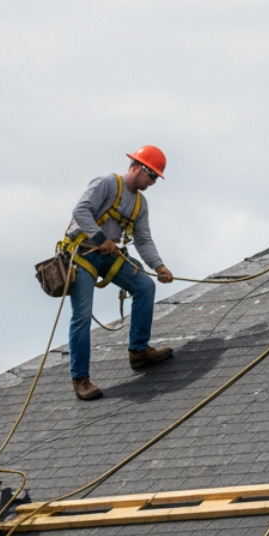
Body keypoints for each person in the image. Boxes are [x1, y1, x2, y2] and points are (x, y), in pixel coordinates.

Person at [65, 146, 177, 400]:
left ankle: (138, 351)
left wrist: (158, 266)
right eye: (151, 176)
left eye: (156, 178)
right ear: (137, 167)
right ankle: (81, 378)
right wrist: (100, 237)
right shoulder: (107, 184)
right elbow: (80, 211)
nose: (152, 182)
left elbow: (143, 239)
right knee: (82, 315)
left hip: (108, 256)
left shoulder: (140, 204)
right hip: (82, 254)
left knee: (145, 286)